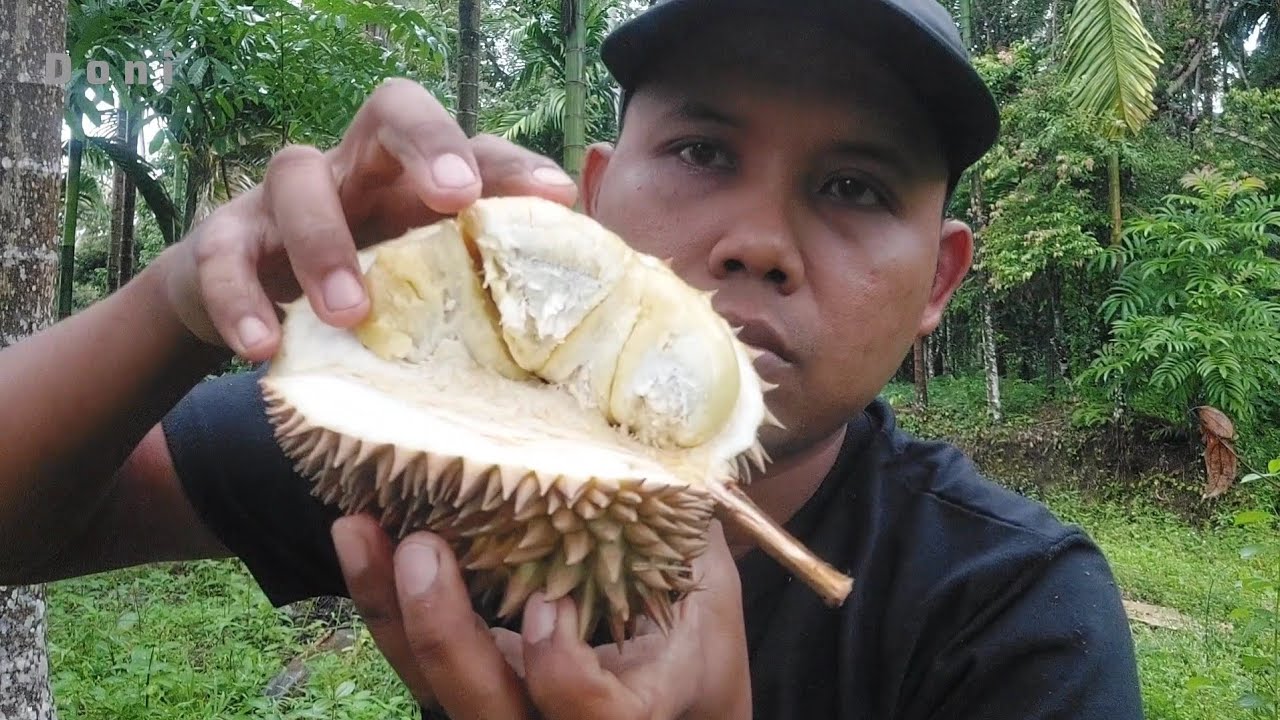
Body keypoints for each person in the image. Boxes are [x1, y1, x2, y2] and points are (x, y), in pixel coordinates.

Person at [0, 0, 1145, 717]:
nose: (757, 240)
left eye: (852, 187)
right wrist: (177, 305)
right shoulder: (428, 428)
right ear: (589, 200)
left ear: (937, 280)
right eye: (701, 152)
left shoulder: (1014, 618)